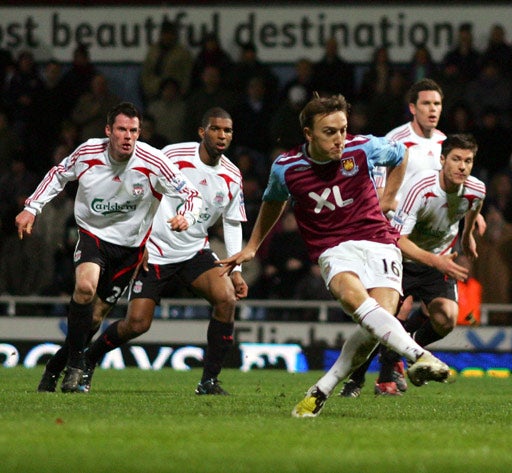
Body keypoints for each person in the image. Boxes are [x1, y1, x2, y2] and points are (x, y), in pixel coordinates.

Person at [216, 93, 453, 418]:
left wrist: (388, 196)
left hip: (379, 242)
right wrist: (253, 245)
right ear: (309, 134)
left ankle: (322, 389)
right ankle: (419, 355)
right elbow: (273, 200)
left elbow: (400, 154)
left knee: (377, 324)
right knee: (356, 301)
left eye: (342, 129)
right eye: (330, 132)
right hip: (334, 249)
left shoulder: (363, 147)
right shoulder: (287, 167)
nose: (340, 139)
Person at [17, 102, 203, 393]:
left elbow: (191, 194)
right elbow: (58, 175)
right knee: (84, 289)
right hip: (94, 235)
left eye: (133, 130)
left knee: (92, 319)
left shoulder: (153, 161)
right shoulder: (88, 152)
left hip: (130, 248)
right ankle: (77, 365)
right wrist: (32, 208)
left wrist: (187, 215)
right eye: (121, 129)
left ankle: (55, 366)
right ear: (108, 131)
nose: (128, 136)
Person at [80, 107, 247, 394]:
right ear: (201, 132)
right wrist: (138, 241)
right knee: (137, 324)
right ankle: (89, 359)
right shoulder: (172, 155)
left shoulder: (232, 175)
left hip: (195, 251)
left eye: (227, 130)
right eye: (216, 129)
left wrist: (237, 270)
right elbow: (140, 186)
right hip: (154, 251)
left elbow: (232, 222)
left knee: (226, 299)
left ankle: (208, 381)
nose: (222, 136)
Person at [341, 134, 485, 397]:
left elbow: (473, 209)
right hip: (403, 258)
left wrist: (467, 238)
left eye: (468, 161)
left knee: (446, 318)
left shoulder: (476, 189)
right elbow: (398, 239)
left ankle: (400, 350)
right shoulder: (421, 187)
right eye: (456, 159)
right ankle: (355, 380)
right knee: (381, 321)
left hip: (438, 260)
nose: (462, 166)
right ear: (442, 160)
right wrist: (437, 261)